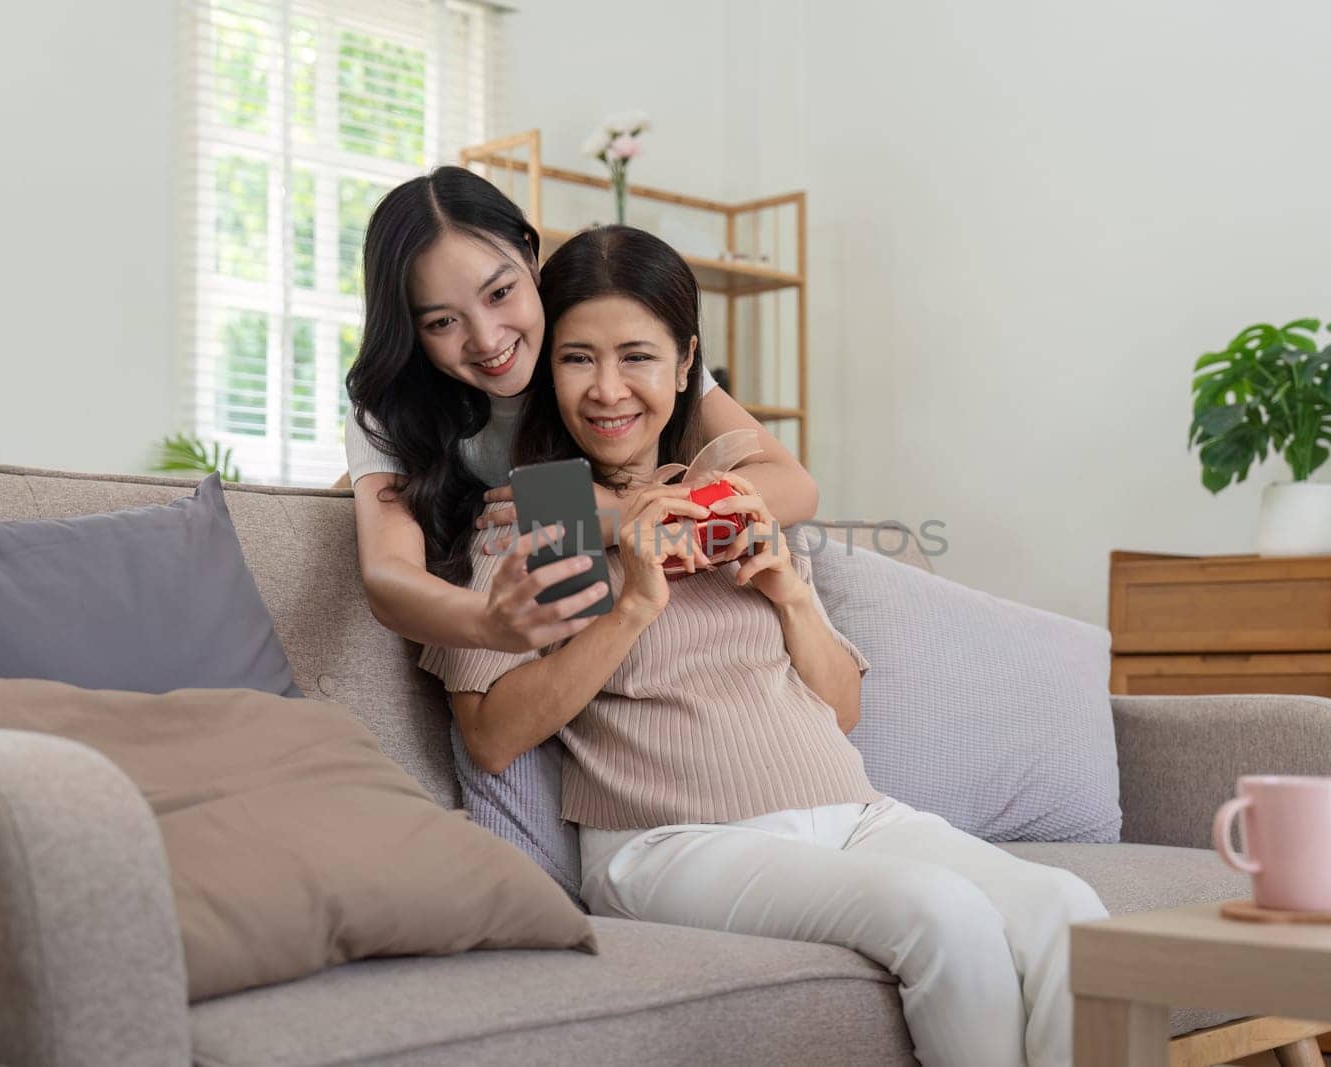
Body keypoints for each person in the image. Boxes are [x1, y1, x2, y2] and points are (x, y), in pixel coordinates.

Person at [425, 226, 1108, 1067]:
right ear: (545, 371)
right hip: (670, 840)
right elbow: (492, 735)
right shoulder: (537, 516)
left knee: (1071, 911)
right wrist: (633, 607)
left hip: (853, 817)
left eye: (637, 356)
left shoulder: (724, 498)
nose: (608, 390)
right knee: (946, 916)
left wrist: (791, 597)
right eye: (577, 359)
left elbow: (843, 710)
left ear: (686, 367)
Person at [343, 166, 818, 653]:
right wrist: (490, 623)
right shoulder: (393, 406)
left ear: (530, 253)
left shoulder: (593, 339)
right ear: (409, 326)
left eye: (500, 293)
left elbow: (794, 486)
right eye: (443, 322)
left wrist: (618, 511)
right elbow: (387, 573)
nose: (487, 340)